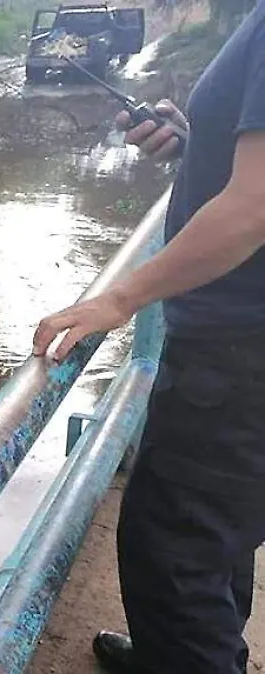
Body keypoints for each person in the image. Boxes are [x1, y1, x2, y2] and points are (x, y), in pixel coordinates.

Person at [31, 5, 265, 673]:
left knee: (173, 559)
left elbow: (254, 208)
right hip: (239, 350)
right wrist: (194, 142)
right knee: (214, 539)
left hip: (239, 358)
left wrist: (118, 298)